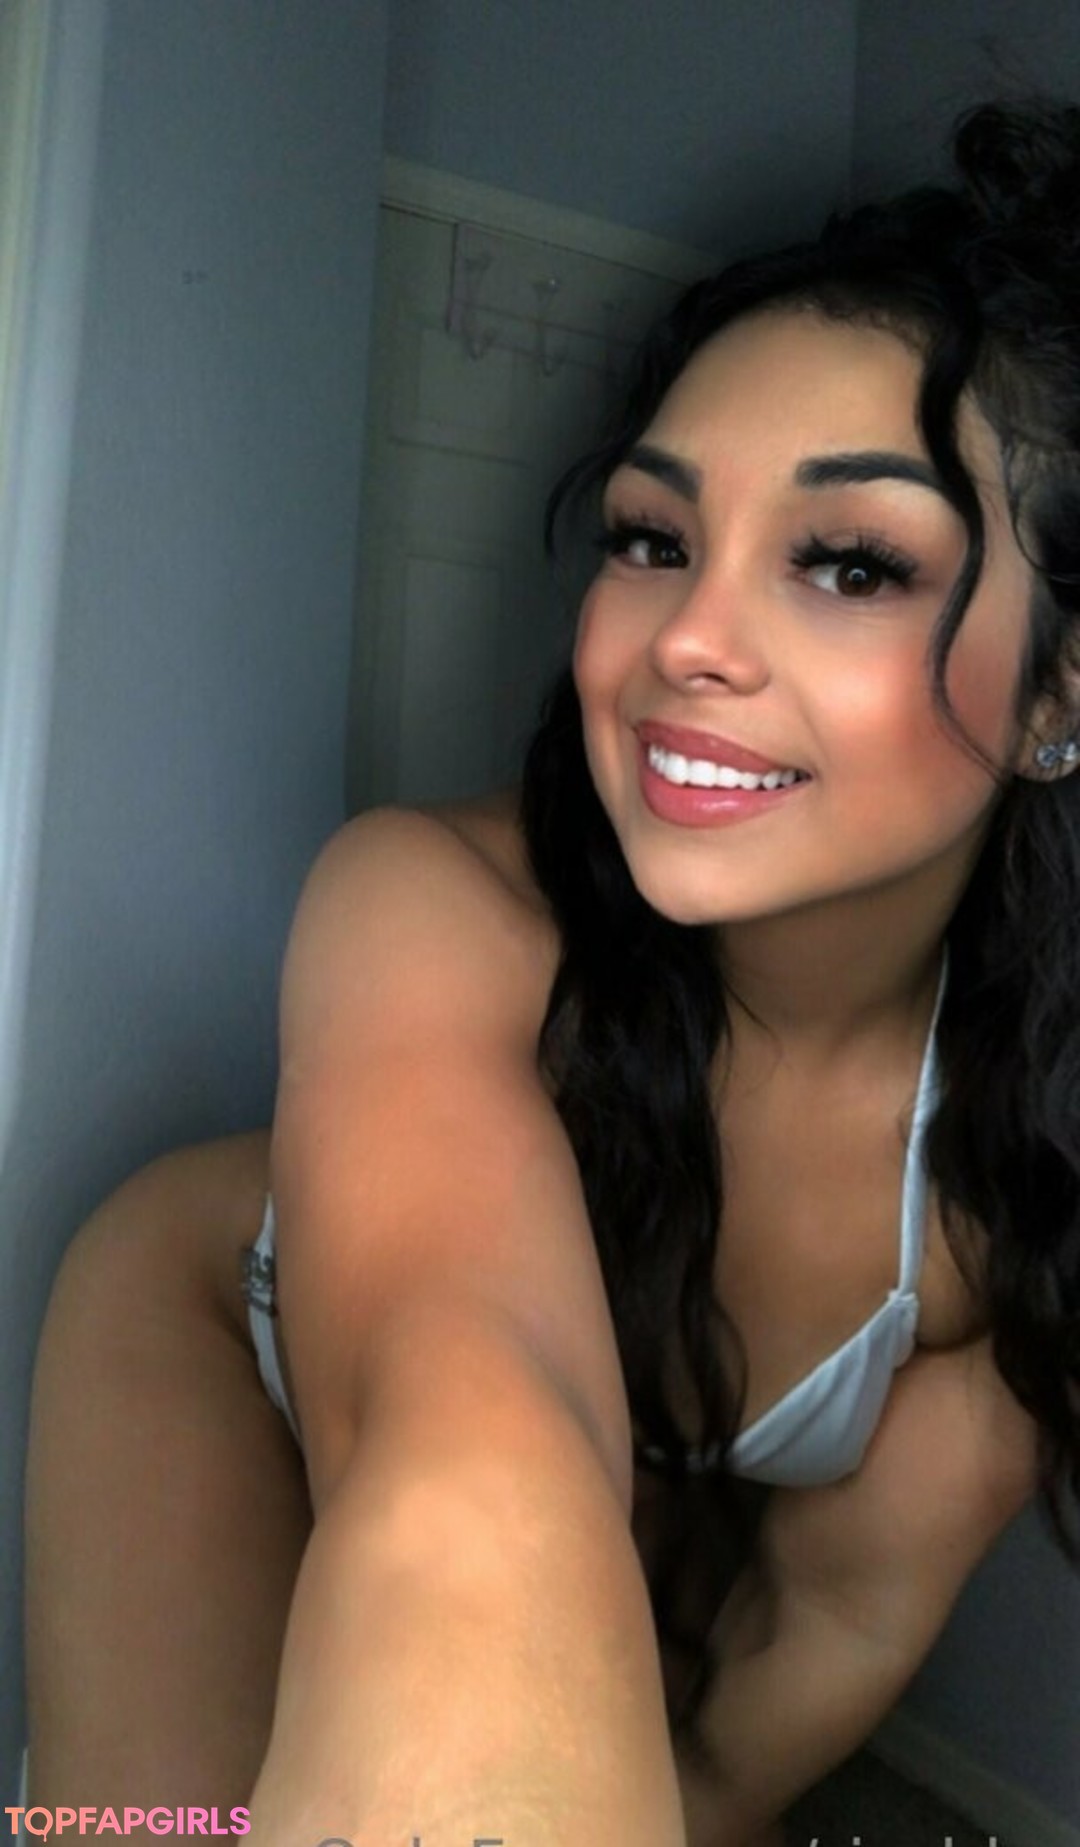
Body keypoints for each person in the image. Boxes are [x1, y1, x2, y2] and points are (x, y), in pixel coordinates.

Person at [24, 96, 1080, 1847]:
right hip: (217, 1340)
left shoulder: (994, 1232)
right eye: (653, 537)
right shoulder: (429, 907)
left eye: (849, 563)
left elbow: (793, 1665)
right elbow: (469, 1476)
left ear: (1054, 693)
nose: (687, 640)